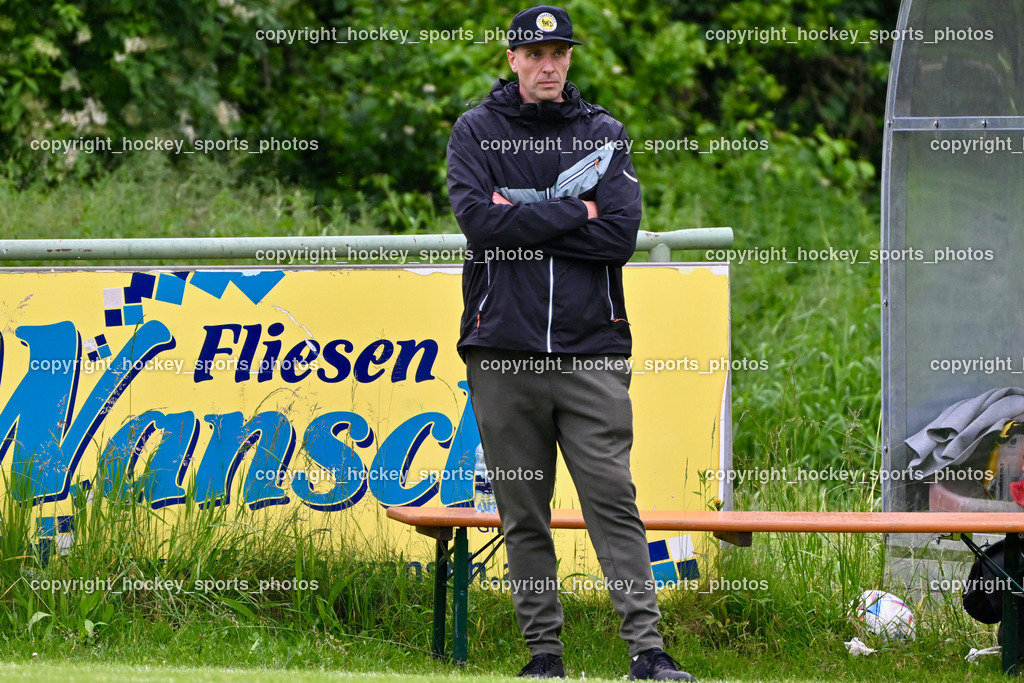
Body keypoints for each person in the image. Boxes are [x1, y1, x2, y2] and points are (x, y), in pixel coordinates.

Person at [445, 5, 696, 681]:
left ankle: (647, 651)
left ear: (570, 59)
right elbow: (481, 226)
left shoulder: (604, 133)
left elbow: (616, 236)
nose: (549, 65)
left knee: (613, 503)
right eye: (536, 53)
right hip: (502, 351)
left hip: (592, 351)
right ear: (513, 59)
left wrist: (523, 211)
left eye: (559, 53)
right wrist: (575, 208)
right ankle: (543, 656)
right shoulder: (476, 130)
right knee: (523, 512)